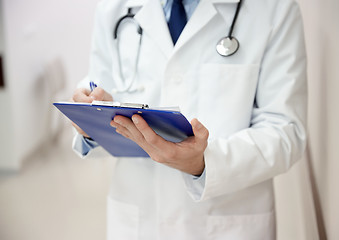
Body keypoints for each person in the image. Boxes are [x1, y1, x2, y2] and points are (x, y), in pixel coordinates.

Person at [71, 0, 307, 239]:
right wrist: (91, 120)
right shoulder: (114, 7)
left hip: (227, 224)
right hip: (139, 221)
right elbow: (100, 87)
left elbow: (285, 132)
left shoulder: (274, 7)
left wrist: (204, 163)